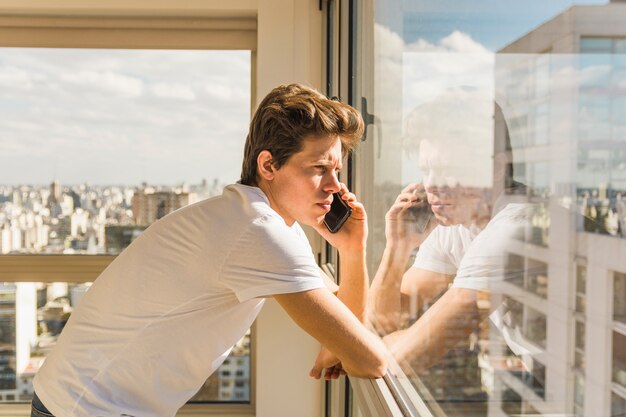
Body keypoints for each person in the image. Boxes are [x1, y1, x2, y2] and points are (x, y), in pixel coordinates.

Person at [31, 84, 388, 417]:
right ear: (268, 165)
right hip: (89, 407)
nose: (334, 187)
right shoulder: (258, 232)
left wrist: (353, 250)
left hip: (80, 401)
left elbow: (340, 337)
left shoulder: (259, 220)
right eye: (319, 169)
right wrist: (345, 345)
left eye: (336, 170)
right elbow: (367, 358)